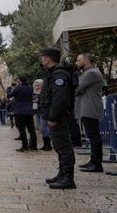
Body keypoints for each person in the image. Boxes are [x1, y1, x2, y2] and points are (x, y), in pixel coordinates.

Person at [39, 47, 77, 189]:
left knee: (64, 147)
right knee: (59, 146)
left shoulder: (59, 74)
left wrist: (53, 117)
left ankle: (68, 178)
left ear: (48, 58)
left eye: (43, 56)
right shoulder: (54, 73)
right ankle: (62, 174)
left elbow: (60, 98)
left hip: (59, 117)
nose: (41, 59)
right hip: (56, 116)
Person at [75, 53, 106, 173]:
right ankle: (93, 161)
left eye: (78, 60)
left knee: (93, 136)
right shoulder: (88, 72)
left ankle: (97, 164)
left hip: (90, 108)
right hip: (87, 108)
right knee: (92, 135)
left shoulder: (91, 73)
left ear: (86, 60)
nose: (76, 63)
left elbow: (77, 88)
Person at [8, 75, 38, 152]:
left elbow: (9, 95)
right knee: (31, 129)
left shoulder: (18, 88)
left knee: (22, 130)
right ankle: (34, 146)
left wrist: (8, 91)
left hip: (20, 111)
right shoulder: (31, 87)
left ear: (20, 81)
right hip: (29, 111)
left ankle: (24, 146)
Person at [33, 79, 52, 150]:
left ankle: (48, 145)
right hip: (37, 112)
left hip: (44, 112)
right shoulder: (34, 93)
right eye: (35, 85)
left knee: (45, 128)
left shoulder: (44, 92)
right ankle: (45, 144)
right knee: (41, 128)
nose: (36, 87)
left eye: (38, 85)